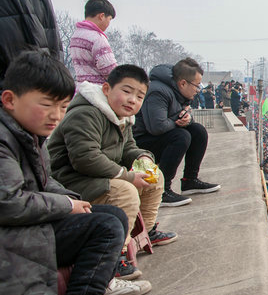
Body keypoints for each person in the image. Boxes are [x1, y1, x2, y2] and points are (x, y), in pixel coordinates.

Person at [0, 52, 138, 295]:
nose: (56, 115)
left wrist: (75, 202)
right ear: (10, 99)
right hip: (11, 238)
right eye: (46, 104)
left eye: (62, 107)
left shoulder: (27, 134)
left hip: (27, 227)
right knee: (103, 227)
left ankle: (101, 282)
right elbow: (8, 203)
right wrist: (64, 205)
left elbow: (45, 183)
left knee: (110, 215)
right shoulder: (4, 140)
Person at [47, 64, 176, 267]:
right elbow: (85, 158)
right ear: (106, 89)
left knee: (155, 177)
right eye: (126, 91)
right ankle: (113, 257)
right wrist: (127, 176)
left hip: (98, 177)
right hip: (71, 181)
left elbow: (128, 148)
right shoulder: (86, 113)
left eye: (140, 96)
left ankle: (145, 231)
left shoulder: (121, 116)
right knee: (124, 191)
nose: (132, 100)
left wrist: (143, 158)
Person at [133, 57, 220, 207]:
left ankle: (189, 181)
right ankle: (161, 190)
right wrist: (178, 120)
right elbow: (157, 127)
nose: (198, 90)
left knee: (198, 131)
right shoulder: (157, 92)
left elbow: (183, 114)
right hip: (141, 143)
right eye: (197, 86)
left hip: (162, 134)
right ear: (183, 83)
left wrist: (187, 119)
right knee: (181, 136)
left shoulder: (178, 92)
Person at [69, 0, 119, 85]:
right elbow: (109, 70)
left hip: (81, 87)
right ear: (102, 16)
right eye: (109, 20)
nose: (109, 24)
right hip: (97, 91)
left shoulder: (75, 36)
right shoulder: (97, 38)